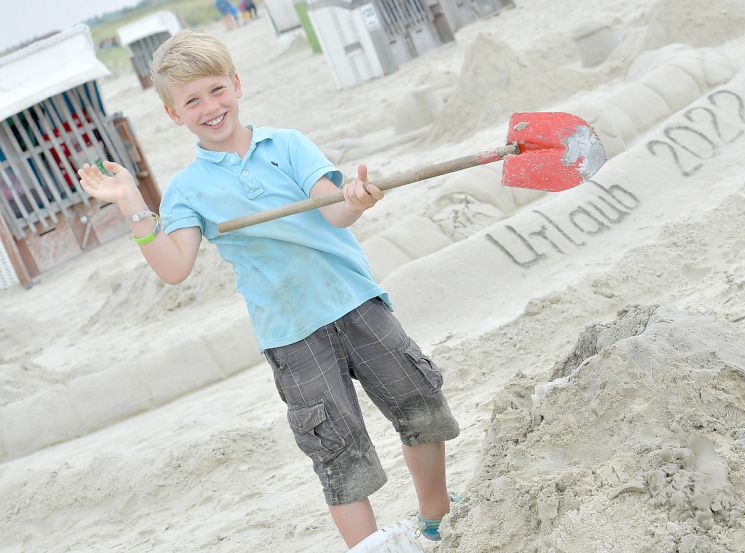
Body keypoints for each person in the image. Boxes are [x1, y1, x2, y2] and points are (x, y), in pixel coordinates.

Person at [75, 30, 460, 548]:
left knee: (420, 406)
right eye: (192, 101)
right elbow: (173, 267)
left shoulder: (289, 144)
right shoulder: (188, 189)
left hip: (356, 302)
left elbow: (334, 210)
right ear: (174, 114)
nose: (210, 108)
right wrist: (129, 203)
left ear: (236, 85)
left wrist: (357, 200)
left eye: (217, 90)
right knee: (335, 448)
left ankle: (436, 520)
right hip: (290, 334)